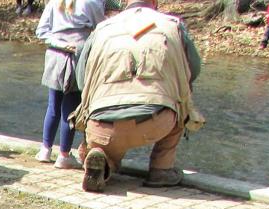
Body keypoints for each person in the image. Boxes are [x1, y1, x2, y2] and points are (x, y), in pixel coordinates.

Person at [71, 0, 203, 192]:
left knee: (106, 144)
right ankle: (161, 170)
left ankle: (102, 158)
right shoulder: (173, 25)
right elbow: (194, 68)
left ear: (125, 3)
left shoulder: (102, 28)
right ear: (154, 3)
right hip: (156, 121)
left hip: (101, 124)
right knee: (181, 105)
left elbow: (81, 77)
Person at [35, 0, 106, 169]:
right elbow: (102, 30)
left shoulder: (54, 2)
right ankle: (64, 155)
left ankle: (45, 150)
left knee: (53, 106)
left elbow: (41, 32)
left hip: (55, 57)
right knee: (71, 110)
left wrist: (60, 43)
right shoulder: (92, 3)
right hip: (78, 57)